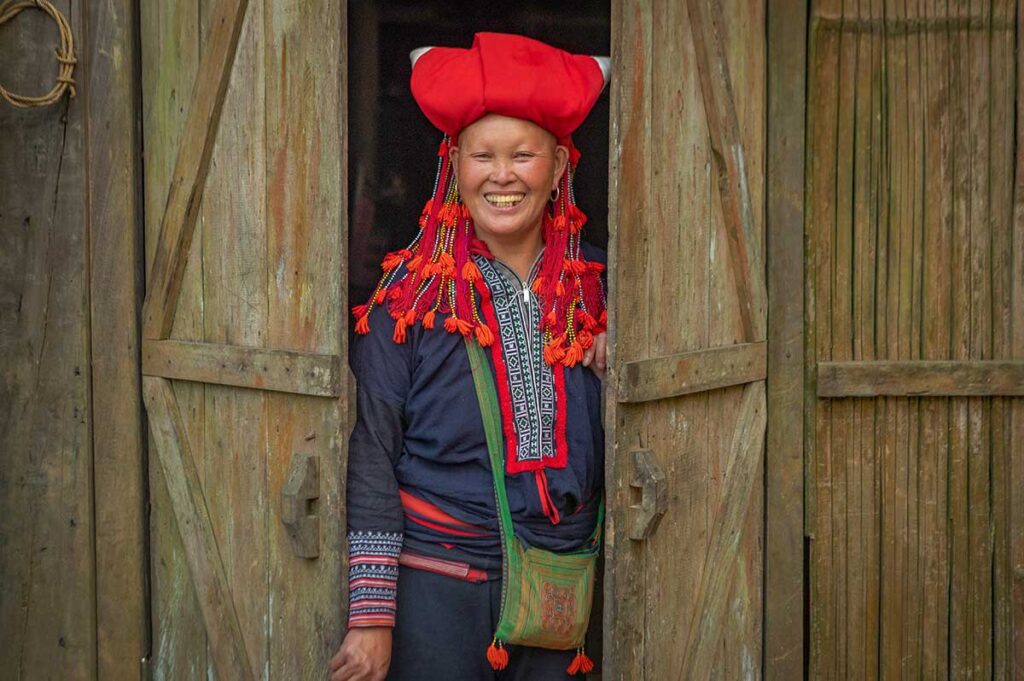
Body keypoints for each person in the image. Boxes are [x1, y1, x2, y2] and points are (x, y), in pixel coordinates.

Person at [330, 33, 609, 681]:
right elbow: (371, 449)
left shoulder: (597, 291)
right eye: (483, 155)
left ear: (559, 167)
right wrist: (372, 617)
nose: (502, 175)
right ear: (454, 165)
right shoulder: (410, 298)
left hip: (559, 592)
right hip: (435, 591)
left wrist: (617, 367)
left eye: (523, 155)